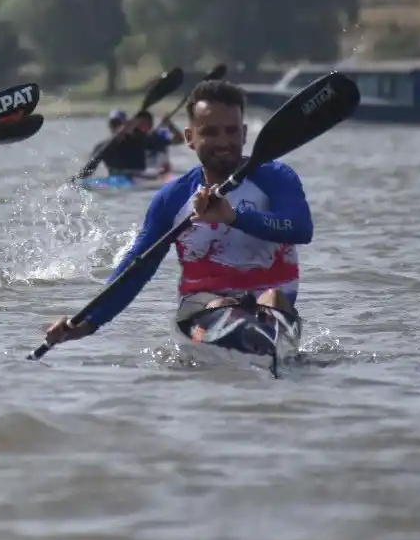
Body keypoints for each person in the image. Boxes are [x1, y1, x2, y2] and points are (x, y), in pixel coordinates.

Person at [42, 79, 313, 349]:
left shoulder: (276, 177)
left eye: (231, 131)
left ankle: (265, 344)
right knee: (221, 304)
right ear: (190, 138)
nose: (223, 142)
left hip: (272, 309)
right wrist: (87, 323)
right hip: (203, 309)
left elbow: (301, 228)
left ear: (243, 134)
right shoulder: (173, 198)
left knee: (273, 298)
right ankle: (253, 342)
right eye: (210, 132)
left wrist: (234, 217)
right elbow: (137, 268)